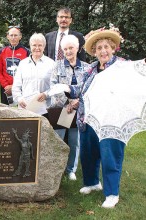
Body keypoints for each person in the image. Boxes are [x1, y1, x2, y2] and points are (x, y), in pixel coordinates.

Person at [55, 26, 128, 208]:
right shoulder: (91, 69)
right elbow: (79, 89)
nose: (103, 51)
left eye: (106, 47)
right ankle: (92, 183)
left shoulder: (121, 67)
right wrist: (65, 89)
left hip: (111, 121)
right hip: (88, 119)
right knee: (89, 153)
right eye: (99, 48)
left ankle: (112, 193)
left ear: (112, 48)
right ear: (94, 52)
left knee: (110, 156)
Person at [49, 35, 90, 181]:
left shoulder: (86, 67)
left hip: (78, 110)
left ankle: (71, 169)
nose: (68, 51)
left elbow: (88, 89)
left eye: (71, 48)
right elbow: (54, 87)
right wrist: (68, 103)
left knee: (75, 140)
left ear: (77, 48)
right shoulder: (57, 65)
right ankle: (56, 167)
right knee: (58, 139)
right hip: (62, 109)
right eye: (65, 49)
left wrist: (77, 102)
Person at [12, 33, 55, 118]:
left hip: (45, 110)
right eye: (34, 45)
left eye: (40, 45)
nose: (37, 48)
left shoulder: (51, 64)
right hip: (25, 109)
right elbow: (16, 87)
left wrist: (46, 94)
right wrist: (19, 99)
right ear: (30, 46)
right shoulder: (22, 64)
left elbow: (55, 87)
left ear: (44, 46)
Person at [0, 26, 30, 105]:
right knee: (5, 112)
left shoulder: (26, 52)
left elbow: (28, 71)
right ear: (8, 36)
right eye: (11, 35)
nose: (13, 38)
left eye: (16, 35)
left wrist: (15, 87)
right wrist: (6, 85)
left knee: (23, 111)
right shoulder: (2, 51)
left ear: (20, 36)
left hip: (22, 88)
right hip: (6, 89)